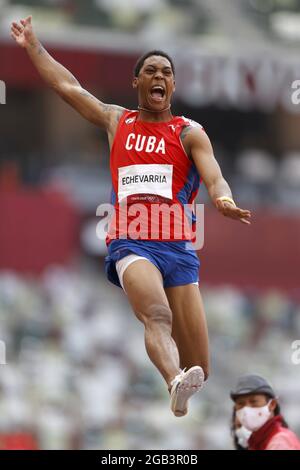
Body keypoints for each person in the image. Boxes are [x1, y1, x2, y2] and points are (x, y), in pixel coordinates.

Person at [11, 16, 251, 417]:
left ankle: (184, 379)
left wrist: (223, 199)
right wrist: (34, 45)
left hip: (178, 247)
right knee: (156, 314)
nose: (160, 76)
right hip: (131, 239)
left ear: (173, 86)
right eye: (151, 71)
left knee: (202, 368)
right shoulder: (116, 120)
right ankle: (172, 379)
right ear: (136, 82)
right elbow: (66, 86)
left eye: (167, 72)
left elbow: (215, 176)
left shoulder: (190, 132)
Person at [231, 374, 300, 450]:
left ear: (272, 405)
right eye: (241, 404)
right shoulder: (257, 442)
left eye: (254, 402)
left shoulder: (280, 442)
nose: (246, 409)